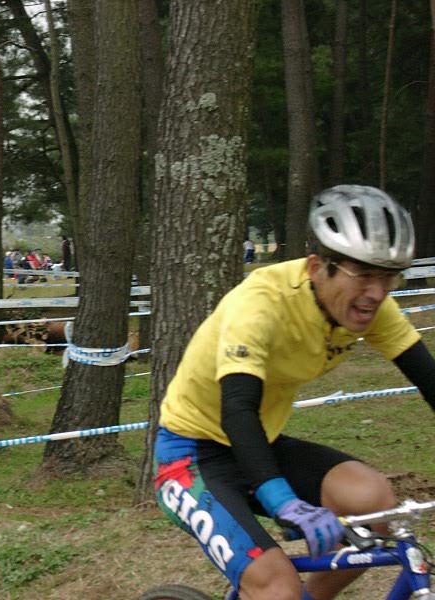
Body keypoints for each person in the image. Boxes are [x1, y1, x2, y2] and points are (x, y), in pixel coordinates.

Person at [153, 185, 435, 600]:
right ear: (318, 267)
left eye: (387, 276)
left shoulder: (369, 307)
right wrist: (280, 498)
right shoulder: (261, 303)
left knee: (375, 504)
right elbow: (238, 408)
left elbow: (429, 379)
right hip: (192, 456)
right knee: (277, 587)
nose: (377, 292)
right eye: (363, 275)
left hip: (259, 444)